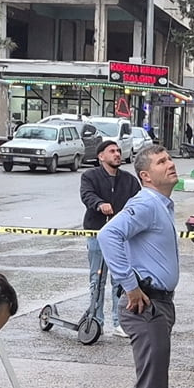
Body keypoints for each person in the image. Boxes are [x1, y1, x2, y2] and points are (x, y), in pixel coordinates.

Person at [98, 144, 184, 388]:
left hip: (156, 304)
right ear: (146, 176)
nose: (171, 164)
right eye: (162, 162)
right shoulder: (147, 203)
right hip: (146, 305)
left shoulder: (160, 205)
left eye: (169, 159)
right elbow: (108, 235)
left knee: (146, 383)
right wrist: (130, 286)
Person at [80, 139, 141, 338]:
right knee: (97, 279)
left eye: (118, 151)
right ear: (101, 156)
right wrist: (100, 204)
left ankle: (120, 321)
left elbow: (138, 202)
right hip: (97, 234)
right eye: (112, 151)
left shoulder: (129, 180)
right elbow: (87, 195)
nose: (117, 154)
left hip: (121, 237)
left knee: (121, 279)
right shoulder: (90, 176)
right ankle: (96, 321)